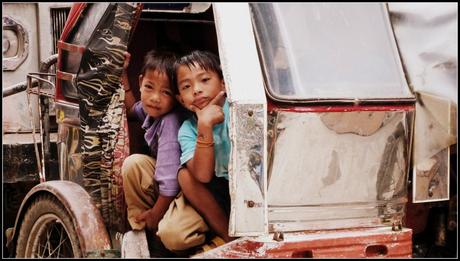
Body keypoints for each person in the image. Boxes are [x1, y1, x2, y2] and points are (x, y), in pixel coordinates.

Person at [121, 50, 185, 245]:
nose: (155, 98)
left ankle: (149, 229)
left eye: (165, 92)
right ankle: (140, 228)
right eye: (149, 87)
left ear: (177, 96)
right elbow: (133, 110)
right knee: (134, 165)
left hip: (181, 190)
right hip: (169, 188)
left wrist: (155, 216)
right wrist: (124, 75)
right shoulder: (154, 110)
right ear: (141, 82)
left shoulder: (170, 121)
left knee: (134, 164)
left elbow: (170, 183)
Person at [172, 50, 233, 244]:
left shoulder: (237, 110)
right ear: (181, 99)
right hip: (218, 191)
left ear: (223, 83)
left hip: (249, 187)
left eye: (205, 80)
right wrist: (204, 125)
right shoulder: (187, 129)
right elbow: (203, 175)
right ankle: (228, 236)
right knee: (185, 175)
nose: (196, 90)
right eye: (186, 86)